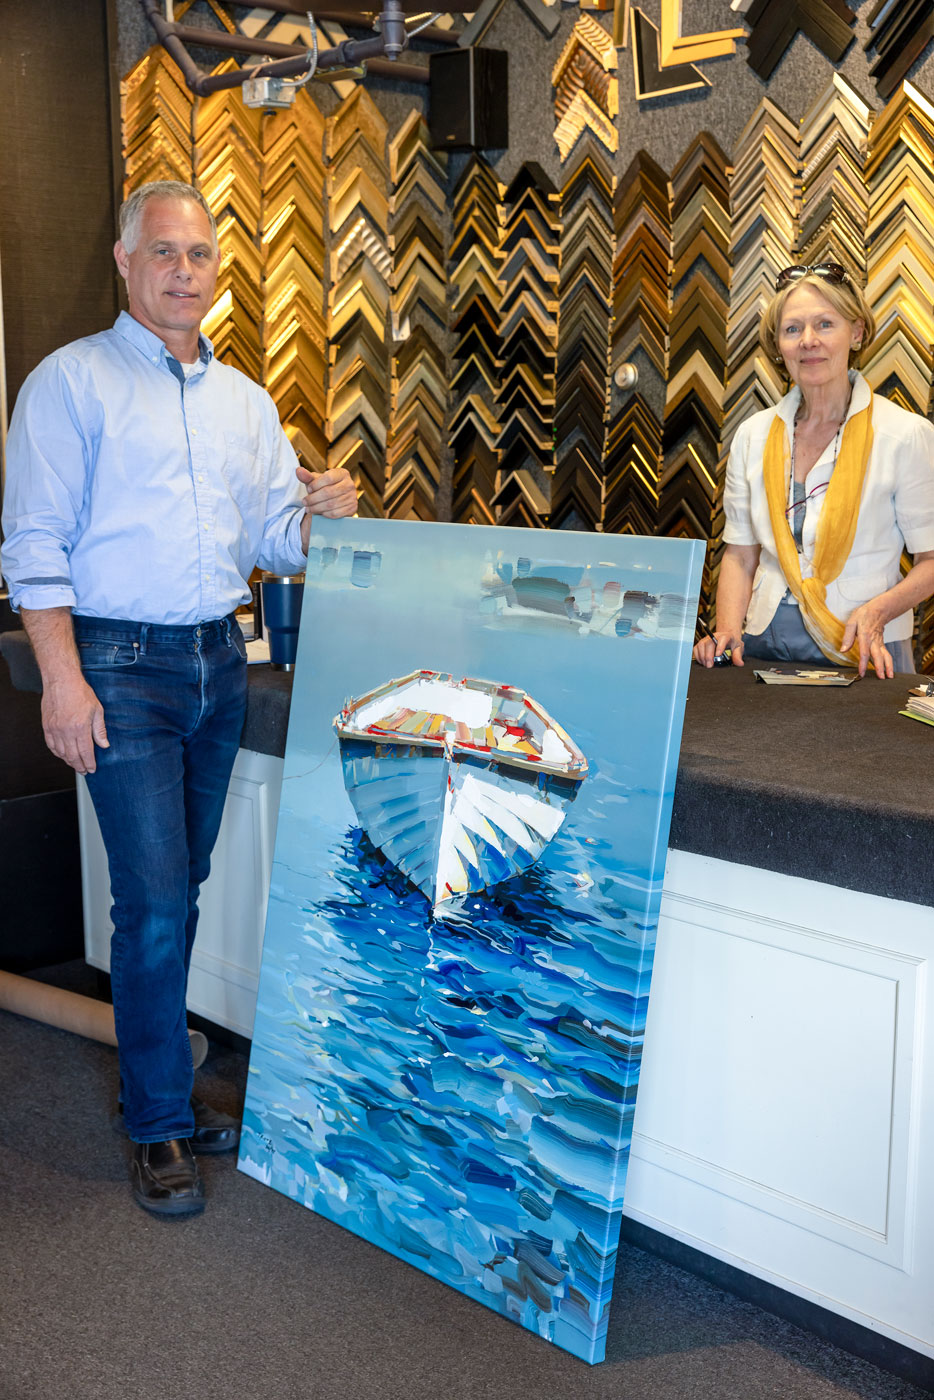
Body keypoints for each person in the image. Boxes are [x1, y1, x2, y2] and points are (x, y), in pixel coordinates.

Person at [1, 181, 357, 1218]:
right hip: (116, 666)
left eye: (199, 254)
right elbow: (34, 549)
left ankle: (160, 1084)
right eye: (163, 251)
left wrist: (320, 512)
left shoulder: (246, 400)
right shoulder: (69, 383)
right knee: (154, 898)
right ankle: (157, 1116)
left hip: (218, 658)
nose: (183, 271)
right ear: (124, 259)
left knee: (183, 886)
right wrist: (61, 680)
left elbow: (269, 544)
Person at [693, 262, 934, 677]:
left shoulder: (905, 435)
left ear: (856, 332)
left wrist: (879, 611)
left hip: (862, 648)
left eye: (825, 324)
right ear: (778, 344)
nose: (809, 341)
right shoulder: (753, 435)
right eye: (792, 329)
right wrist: (729, 630)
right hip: (761, 645)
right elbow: (740, 553)